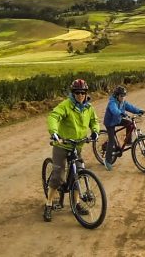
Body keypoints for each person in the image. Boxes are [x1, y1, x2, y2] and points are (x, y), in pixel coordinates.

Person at [44, 78, 100, 222]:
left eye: (82, 92)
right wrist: (54, 132)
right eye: (77, 92)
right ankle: (49, 204)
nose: (80, 95)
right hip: (62, 145)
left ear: (86, 93)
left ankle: (75, 204)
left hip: (77, 145)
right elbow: (54, 116)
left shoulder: (88, 107)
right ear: (72, 93)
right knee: (58, 176)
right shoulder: (66, 105)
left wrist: (95, 131)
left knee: (79, 174)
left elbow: (94, 120)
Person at [101, 85, 145, 171]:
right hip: (110, 123)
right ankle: (107, 161)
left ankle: (128, 142)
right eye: (121, 96)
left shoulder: (123, 102)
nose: (123, 97)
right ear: (117, 96)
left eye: (124, 96)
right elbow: (114, 110)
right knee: (111, 141)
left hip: (117, 120)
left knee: (129, 123)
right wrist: (121, 113)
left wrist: (139, 110)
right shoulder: (112, 102)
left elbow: (131, 107)